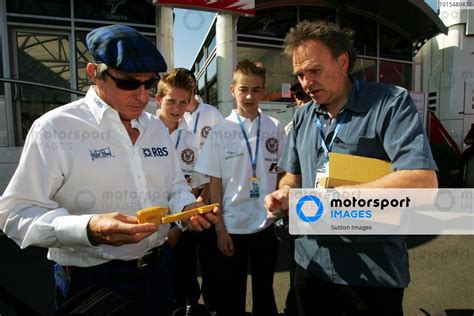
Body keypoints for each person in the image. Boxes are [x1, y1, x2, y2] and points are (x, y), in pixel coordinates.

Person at [0, 24, 217, 316]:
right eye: (128, 83)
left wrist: (187, 207)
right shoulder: (55, 128)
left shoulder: (155, 127)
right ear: (94, 73)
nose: (142, 96)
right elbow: (15, 214)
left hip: (159, 268)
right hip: (93, 278)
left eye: (149, 84)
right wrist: (89, 229)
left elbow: (175, 186)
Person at [265, 21, 438, 316]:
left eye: (315, 71)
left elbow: (423, 184)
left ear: (343, 61)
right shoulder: (304, 115)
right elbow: (292, 176)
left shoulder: (390, 105)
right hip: (310, 265)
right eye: (300, 75)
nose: (306, 83)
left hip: (370, 274)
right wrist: (284, 195)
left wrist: (337, 198)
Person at [195, 59, 287, 316]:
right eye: (244, 88)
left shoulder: (275, 127)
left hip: (266, 225)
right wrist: (220, 228)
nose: (249, 96)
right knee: (231, 295)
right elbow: (215, 181)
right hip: (232, 226)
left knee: (265, 292)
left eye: (257, 89)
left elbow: (282, 173)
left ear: (263, 91)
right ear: (232, 89)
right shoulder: (221, 130)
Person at [155, 68, 203, 316]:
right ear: (158, 99)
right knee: (158, 285)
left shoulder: (192, 139)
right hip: (151, 226)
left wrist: (177, 228)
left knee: (185, 270)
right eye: (170, 101)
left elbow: (193, 185)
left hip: (182, 223)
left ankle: (189, 303)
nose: (176, 108)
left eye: (183, 102)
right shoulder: (142, 133)